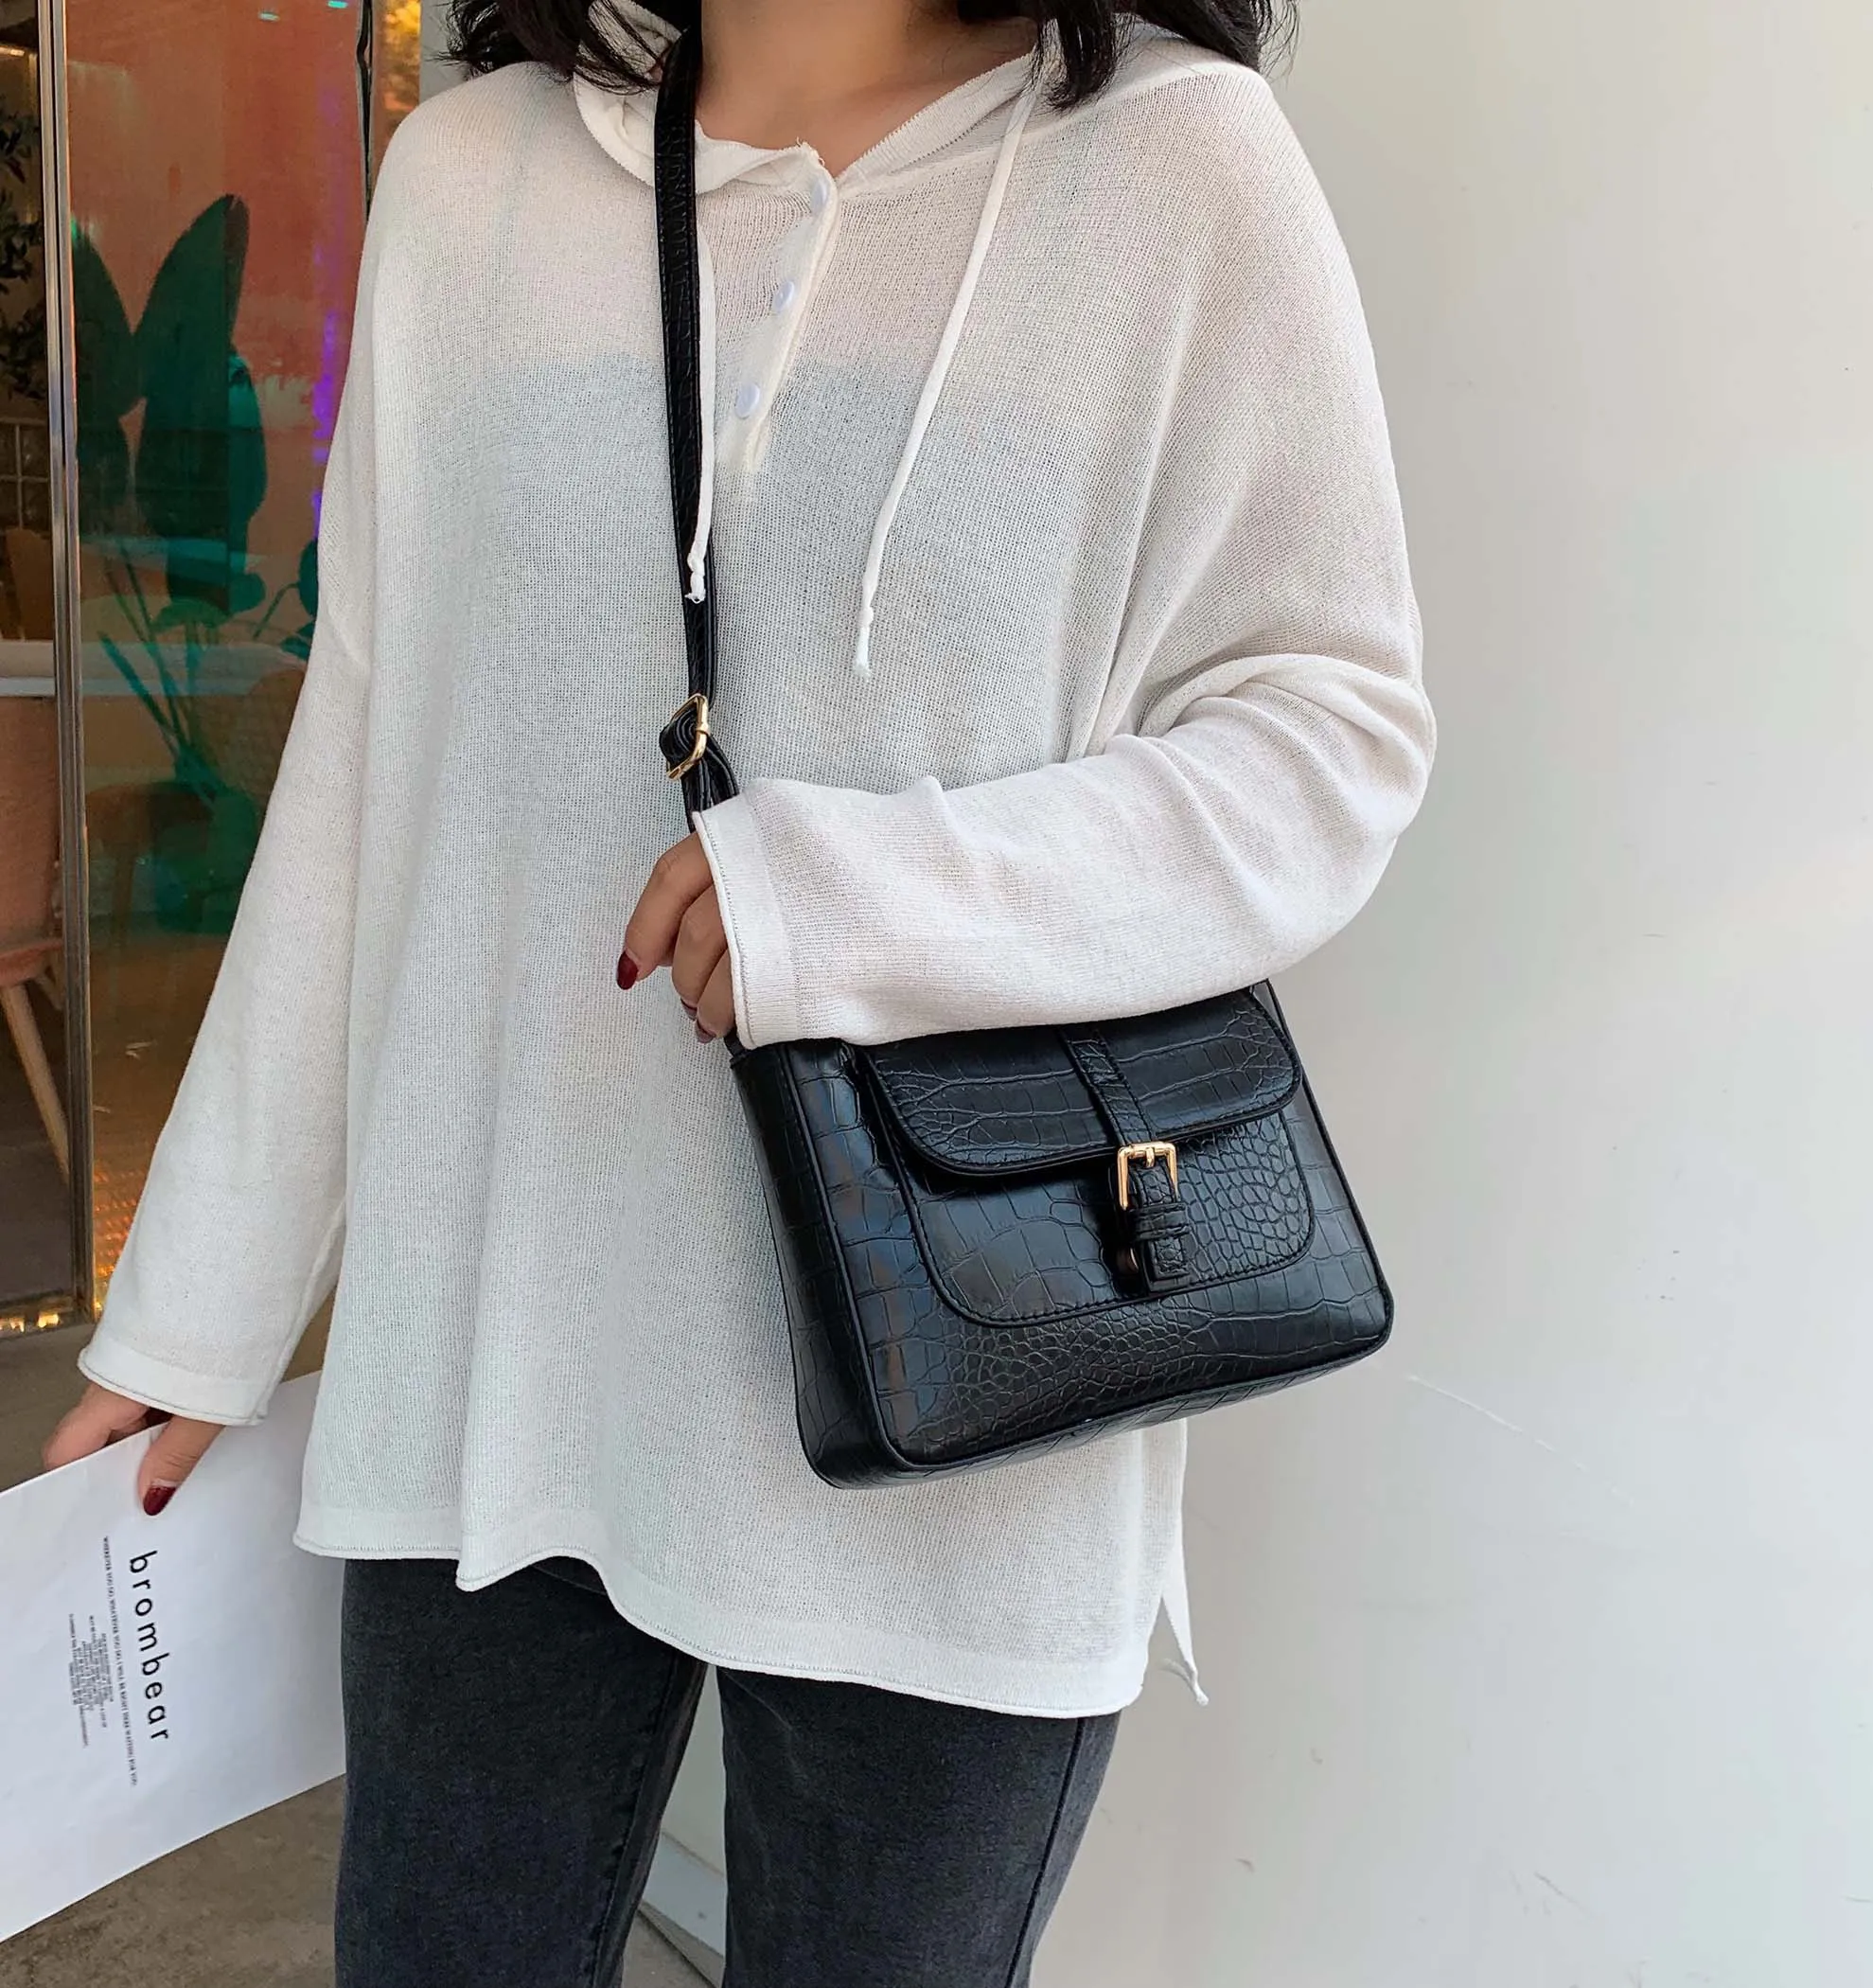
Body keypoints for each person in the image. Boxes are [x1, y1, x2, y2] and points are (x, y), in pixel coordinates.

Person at [44, 1, 1434, 1980]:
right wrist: (202, 1306)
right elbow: (365, 769)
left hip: (969, 1386)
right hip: (502, 1371)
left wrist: (844, 897)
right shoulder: (475, 182)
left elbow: (1328, 741)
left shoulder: (1179, 172)